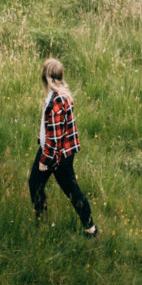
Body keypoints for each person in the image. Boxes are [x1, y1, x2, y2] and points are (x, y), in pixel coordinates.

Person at [31, 56, 97, 236]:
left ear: (47, 78)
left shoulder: (56, 101)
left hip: (57, 154)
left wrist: (45, 161)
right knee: (39, 184)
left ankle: (91, 229)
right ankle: (42, 222)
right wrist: (42, 137)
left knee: (68, 189)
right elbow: (57, 128)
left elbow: (55, 139)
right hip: (60, 150)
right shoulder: (61, 95)